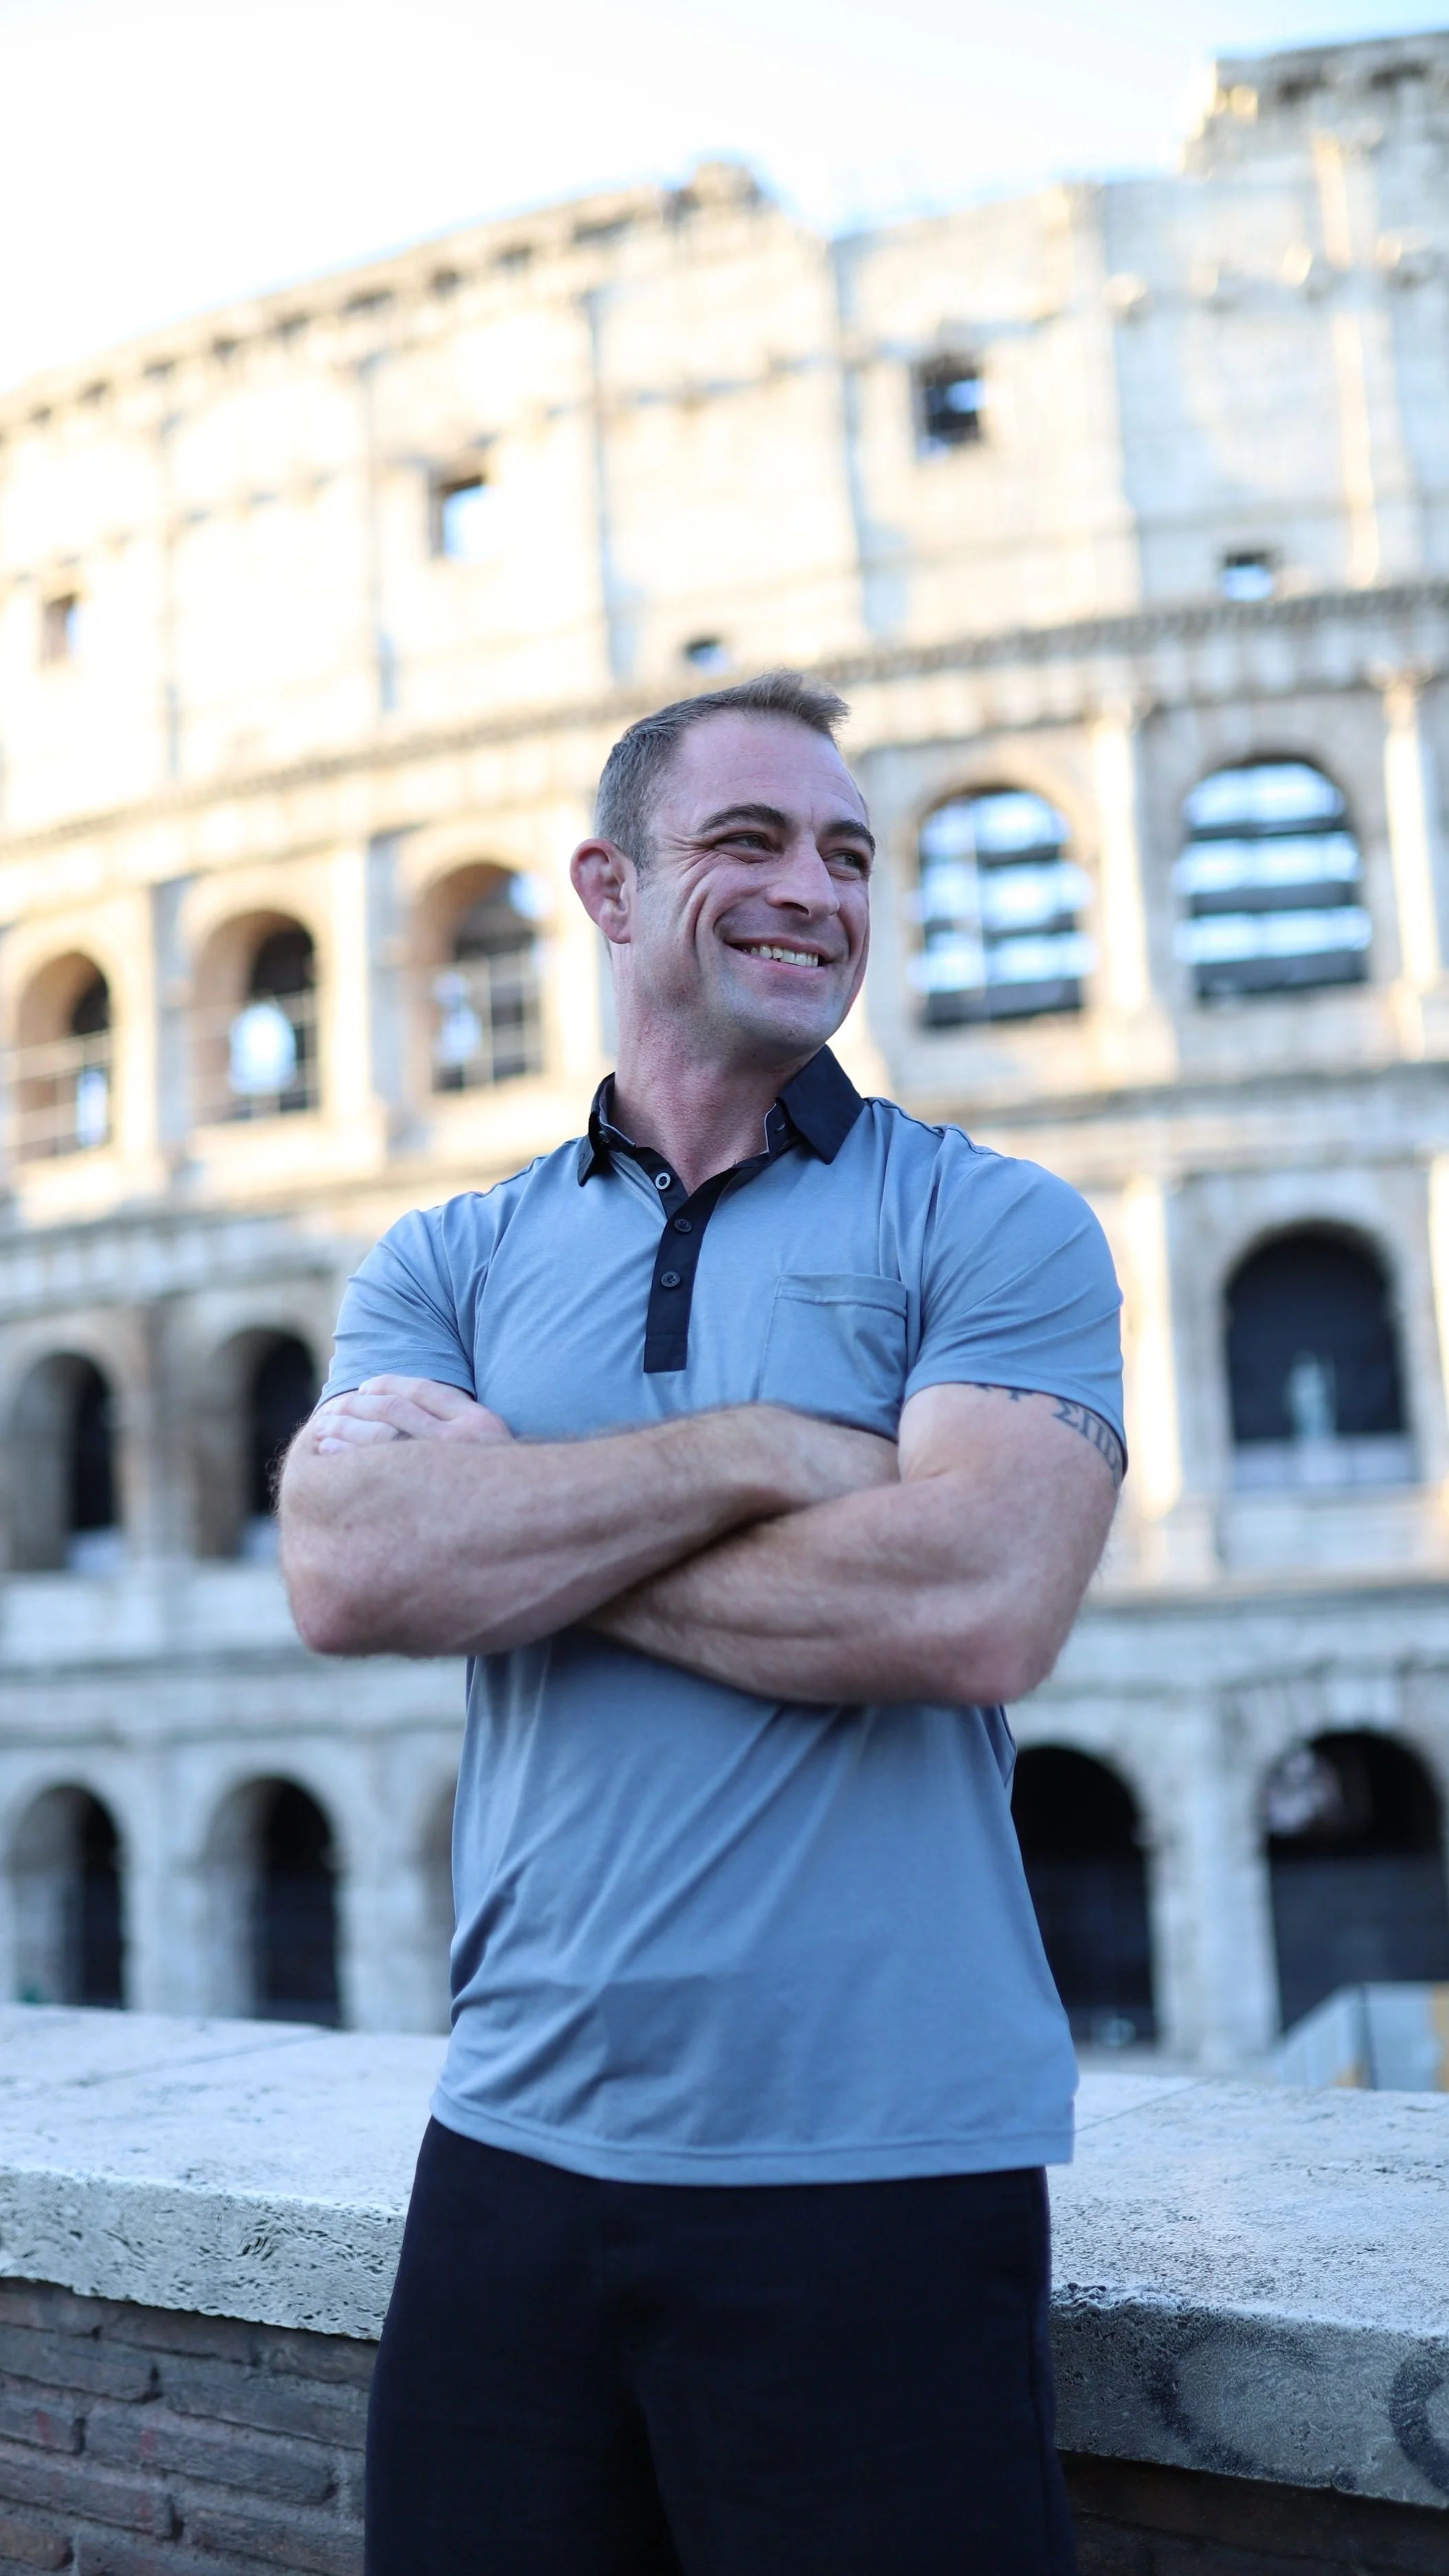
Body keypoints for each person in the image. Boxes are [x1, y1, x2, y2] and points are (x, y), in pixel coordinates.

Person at [280, 670, 1124, 2576]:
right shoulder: (450, 1252)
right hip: (509, 2150)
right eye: (747, 841)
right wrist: (767, 1450)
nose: (810, 890)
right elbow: (348, 1574)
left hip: (880, 2170)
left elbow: (980, 1598)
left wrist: (523, 1528)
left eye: (846, 854)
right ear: (604, 881)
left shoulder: (990, 1222)